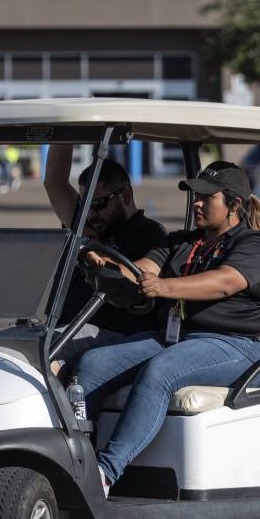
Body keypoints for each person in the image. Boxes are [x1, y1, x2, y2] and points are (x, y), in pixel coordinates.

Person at [72, 161, 260, 495]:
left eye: (206, 197)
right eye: (195, 195)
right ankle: (76, 460)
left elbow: (224, 283)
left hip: (237, 345)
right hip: (179, 338)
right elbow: (140, 270)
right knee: (92, 364)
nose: (196, 202)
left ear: (233, 205)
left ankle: (104, 472)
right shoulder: (182, 242)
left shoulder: (254, 245)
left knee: (160, 371)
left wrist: (165, 287)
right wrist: (103, 264)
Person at [44, 144, 167, 372]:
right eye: (85, 205)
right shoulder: (88, 224)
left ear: (126, 195)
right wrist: (64, 131)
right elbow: (54, 183)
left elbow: (137, 276)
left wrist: (99, 261)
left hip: (113, 330)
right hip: (67, 326)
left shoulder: (149, 234)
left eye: (99, 204)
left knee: (43, 355)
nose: (90, 213)